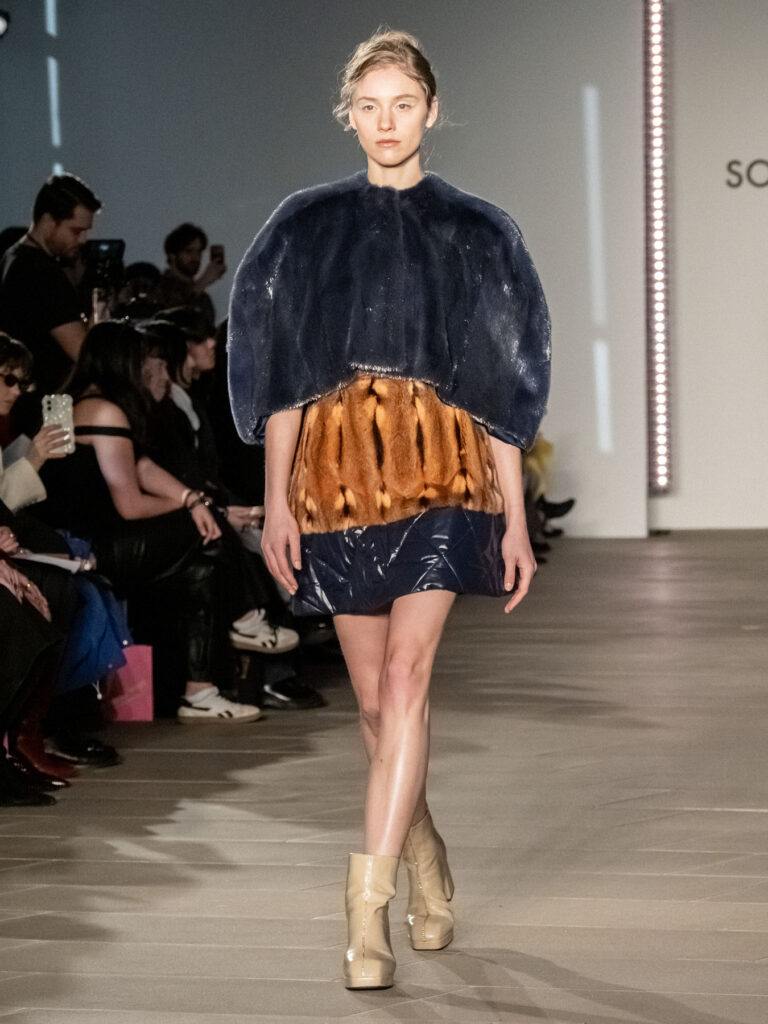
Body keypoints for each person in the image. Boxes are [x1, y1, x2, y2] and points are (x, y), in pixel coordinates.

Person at [228, 30, 550, 989]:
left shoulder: (477, 231)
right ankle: (424, 853)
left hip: (446, 471)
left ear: (431, 111)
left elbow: (499, 384)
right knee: (372, 704)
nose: (386, 122)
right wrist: (276, 502)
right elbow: (283, 378)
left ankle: (364, 920)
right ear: (349, 115)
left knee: (407, 682)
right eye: (369, 106)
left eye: (402, 104)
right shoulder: (306, 225)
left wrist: (516, 516)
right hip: (334, 479)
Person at [37, 322, 268, 723]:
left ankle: (200, 692)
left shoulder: (78, 403)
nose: (147, 367)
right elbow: (130, 504)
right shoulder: (106, 411)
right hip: (89, 546)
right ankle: (247, 617)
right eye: (142, 359)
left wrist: (192, 500)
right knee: (206, 527)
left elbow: (141, 467)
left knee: (200, 569)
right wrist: (198, 509)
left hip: (88, 538)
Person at [0, 175, 101, 424]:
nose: (82, 240)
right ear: (48, 221)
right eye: (76, 231)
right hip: (45, 408)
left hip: (22, 404)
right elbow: (82, 352)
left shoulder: (11, 257)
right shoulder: (42, 272)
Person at [150, 223, 225, 322]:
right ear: (172, 255)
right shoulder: (156, 286)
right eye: (189, 251)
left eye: (199, 251)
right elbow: (169, 320)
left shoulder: (203, 298)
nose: (195, 257)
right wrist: (201, 283)